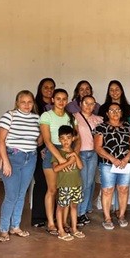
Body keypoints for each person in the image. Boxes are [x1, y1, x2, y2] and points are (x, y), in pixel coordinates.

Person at [0, 90, 41, 243]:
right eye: (23, 102)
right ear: (17, 103)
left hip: (31, 157)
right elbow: (0, 140)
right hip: (13, 157)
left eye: (30, 102)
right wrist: (5, 161)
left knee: (22, 194)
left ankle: (15, 226)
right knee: (11, 195)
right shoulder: (9, 116)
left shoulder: (36, 118)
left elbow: (39, 140)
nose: (27, 105)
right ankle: (4, 229)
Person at [40, 88, 80, 235]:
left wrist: (73, 155)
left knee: (66, 189)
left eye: (64, 99)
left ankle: (63, 222)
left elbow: (78, 138)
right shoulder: (46, 115)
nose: (61, 102)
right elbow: (47, 140)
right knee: (52, 189)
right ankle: (51, 223)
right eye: (58, 98)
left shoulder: (71, 117)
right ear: (53, 100)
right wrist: (61, 158)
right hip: (53, 152)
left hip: (68, 152)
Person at [94, 103, 130, 230]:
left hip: (125, 163)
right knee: (107, 190)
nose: (115, 112)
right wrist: (112, 159)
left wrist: (127, 158)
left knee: (123, 189)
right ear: (107, 113)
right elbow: (98, 147)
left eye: (118, 110)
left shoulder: (128, 126)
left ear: (121, 113)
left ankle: (121, 215)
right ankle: (107, 218)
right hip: (107, 164)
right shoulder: (101, 127)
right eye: (112, 110)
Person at [74, 95, 103, 227]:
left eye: (92, 104)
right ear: (81, 103)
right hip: (80, 153)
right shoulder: (74, 117)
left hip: (93, 153)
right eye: (86, 103)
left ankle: (83, 212)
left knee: (89, 183)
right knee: (82, 184)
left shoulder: (99, 119)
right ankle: (78, 213)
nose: (89, 106)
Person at [52, 125, 84, 241]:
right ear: (59, 139)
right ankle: (61, 231)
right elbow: (56, 169)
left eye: (68, 138)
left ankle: (74, 228)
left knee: (74, 206)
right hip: (64, 185)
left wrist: (75, 155)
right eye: (63, 138)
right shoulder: (58, 153)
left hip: (76, 184)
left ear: (73, 138)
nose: (66, 141)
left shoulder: (74, 152)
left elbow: (80, 166)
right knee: (61, 207)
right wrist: (69, 162)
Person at [32, 78, 56, 227]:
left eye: (51, 87)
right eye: (46, 87)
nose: (49, 90)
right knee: (41, 182)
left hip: (55, 148)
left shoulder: (56, 106)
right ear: (40, 89)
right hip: (39, 147)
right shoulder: (35, 105)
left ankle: (53, 216)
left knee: (54, 185)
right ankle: (38, 217)